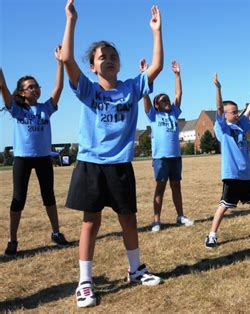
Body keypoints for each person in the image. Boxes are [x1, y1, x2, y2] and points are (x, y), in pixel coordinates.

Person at [61, 0, 163, 307]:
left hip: (120, 165)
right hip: (91, 164)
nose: (108, 59)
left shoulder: (132, 88)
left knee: (128, 219)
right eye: (102, 57)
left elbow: (156, 67)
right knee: (90, 223)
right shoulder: (89, 90)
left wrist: (157, 32)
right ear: (93, 66)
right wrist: (71, 20)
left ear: (119, 64)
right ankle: (85, 281)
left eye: (113, 56)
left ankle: (135, 269)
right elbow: (66, 58)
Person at [0, 47, 70, 258]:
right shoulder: (17, 110)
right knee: (18, 199)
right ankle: (13, 241)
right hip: (22, 159)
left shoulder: (46, 108)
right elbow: (2, 86)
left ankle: (56, 233)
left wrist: (60, 63)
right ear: (21, 92)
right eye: (30, 87)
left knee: (48, 196)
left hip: (43, 159)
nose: (35, 89)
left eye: (36, 86)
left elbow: (59, 87)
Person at [205, 74, 250, 249]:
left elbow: (249, 109)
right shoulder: (222, 127)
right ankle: (212, 235)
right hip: (232, 173)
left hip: (245, 172)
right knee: (224, 205)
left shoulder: (241, 124)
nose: (236, 113)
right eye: (233, 112)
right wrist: (218, 88)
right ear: (225, 115)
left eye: (236, 111)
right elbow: (219, 107)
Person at [141, 59, 194, 232]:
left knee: (176, 186)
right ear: (157, 104)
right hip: (160, 157)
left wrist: (177, 75)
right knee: (160, 188)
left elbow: (179, 94)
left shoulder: (174, 113)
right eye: (163, 100)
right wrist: (145, 75)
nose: (167, 101)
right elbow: (145, 96)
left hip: (175, 157)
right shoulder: (153, 115)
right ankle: (156, 220)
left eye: (168, 100)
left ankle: (180, 216)